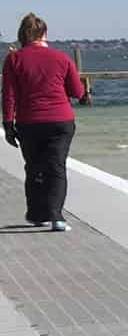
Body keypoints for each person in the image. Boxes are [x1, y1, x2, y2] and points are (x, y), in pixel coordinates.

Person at [4, 13, 89, 231]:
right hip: (60, 121)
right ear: (45, 34)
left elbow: (8, 95)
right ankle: (57, 217)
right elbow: (77, 92)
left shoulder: (14, 59)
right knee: (56, 167)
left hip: (29, 122)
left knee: (33, 168)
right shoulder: (62, 58)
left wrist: (8, 124)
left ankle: (36, 214)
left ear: (22, 34)